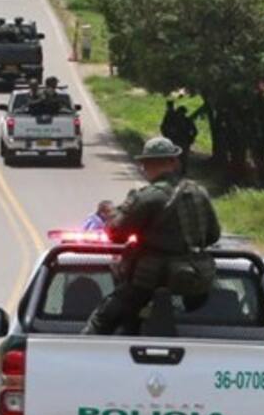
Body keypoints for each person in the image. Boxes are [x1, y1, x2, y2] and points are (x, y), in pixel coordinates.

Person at [83, 138, 221, 335]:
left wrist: (115, 211)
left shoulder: (148, 197)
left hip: (147, 281)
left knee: (102, 319)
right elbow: (213, 235)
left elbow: (115, 233)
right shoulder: (199, 192)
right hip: (196, 280)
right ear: (174, 161)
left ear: (145, 165)